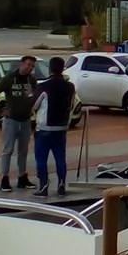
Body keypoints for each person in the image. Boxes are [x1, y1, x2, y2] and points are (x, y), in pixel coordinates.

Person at [0, 55, 38, 192]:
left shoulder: (31, 80)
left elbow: (36, 96)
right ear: (21, 64)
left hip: (26, 119)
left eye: (32, 66)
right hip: (11, 120)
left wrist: (32, 97)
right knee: (8, 150)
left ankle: (22, 177)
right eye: (28, 64)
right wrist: (0, 111)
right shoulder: (10, 78)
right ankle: (4, 178)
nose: (30, 68)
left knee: (23, 150)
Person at [31, 56, 77, 197]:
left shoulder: (44, 86)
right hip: (61, 127)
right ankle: (61, 185)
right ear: (63, 69)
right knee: (60, 158)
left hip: (44, 128)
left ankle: (43, 186)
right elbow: (71, 105)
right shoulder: (70, 87)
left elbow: (34, 105)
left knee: (41, 159)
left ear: (50, 69)